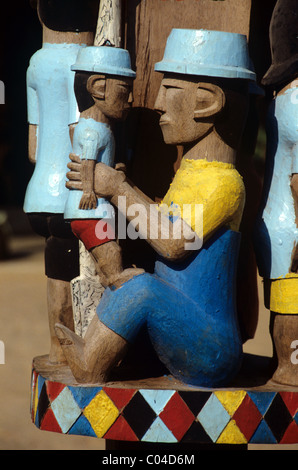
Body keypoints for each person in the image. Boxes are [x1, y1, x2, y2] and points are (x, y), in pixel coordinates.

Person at [56, 29, 255, 388]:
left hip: (211, 349)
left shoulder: (224, 183)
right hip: (188, 330)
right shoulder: (194, 174)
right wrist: (123, 189)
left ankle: (90, 363)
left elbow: (173, 242)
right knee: (134, 280)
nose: (158, 102)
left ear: (207, 102)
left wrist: (117, 188)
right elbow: (161, 220)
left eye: (170, 90)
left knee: (145, 289)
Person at [23, 0, 97, 363]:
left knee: (56, 267)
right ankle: (74, 351)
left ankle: (56, 349)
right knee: (84, 267)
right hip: (70, 198)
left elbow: (33, 148)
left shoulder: (36, 63)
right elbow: (78, 133)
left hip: (38, 192)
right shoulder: (85, 60)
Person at [64, 46, 144, 288]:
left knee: (104, 254)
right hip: (91, 211)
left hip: (91, 211)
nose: (130, 100)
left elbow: (96, 161)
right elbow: (88, 162)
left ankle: (108, 277)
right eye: (124, 90)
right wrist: (89, 191)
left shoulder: (90, 126)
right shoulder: (93, 131)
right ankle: (115, 277)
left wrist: (114, 167)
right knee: (111, 252)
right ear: (98, 87)